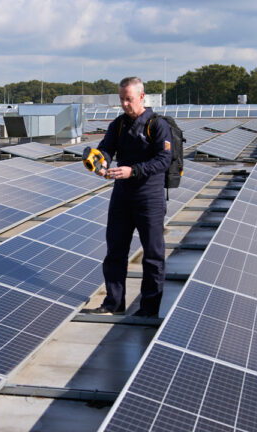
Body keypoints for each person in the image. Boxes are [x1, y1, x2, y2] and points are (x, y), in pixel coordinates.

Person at [88, 76, 171, 317]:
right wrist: (100, 161)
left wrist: (132, 170)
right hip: (122, 196)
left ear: (142, 97)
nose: (125, 104)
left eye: (129, 99)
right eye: (122, 99)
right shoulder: (119, 125)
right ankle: (113, 303)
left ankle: (148, 308)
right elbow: (106, 148)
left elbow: (163, 160)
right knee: (115, 251)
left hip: (149, 198)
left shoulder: (157, 125)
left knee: (153, 255)